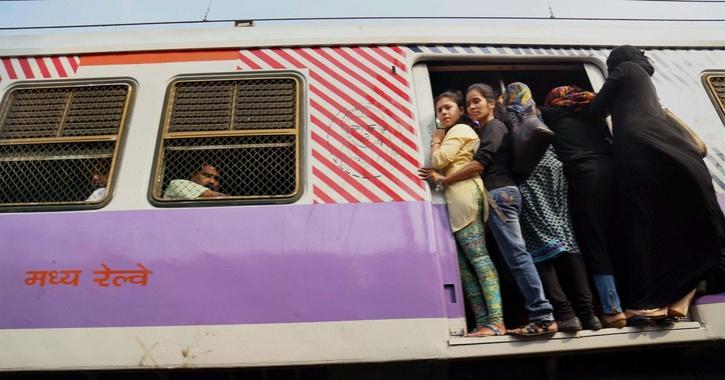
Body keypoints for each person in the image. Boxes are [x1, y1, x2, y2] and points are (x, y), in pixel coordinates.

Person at [589, 45, 725, 325]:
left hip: (642, 152)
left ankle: (651, 301)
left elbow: (595, 111)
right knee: (668, 227)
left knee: (644, 226)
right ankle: (681, 293)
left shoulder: (626, 69)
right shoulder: (643, 85)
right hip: (669, 153)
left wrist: (585, 102)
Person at [431, 83, 558, 336]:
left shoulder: (495, 126)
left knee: (517, 257)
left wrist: (443, 180)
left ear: (492, 103)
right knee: (512, 258)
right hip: (501, 195)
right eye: (469, 103)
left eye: (476, 101)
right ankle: (533, 315)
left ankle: (543, 316)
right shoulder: (486, 128)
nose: (472, 106)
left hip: (501, 195)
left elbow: (479, 164)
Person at [503, 82, 601, 332]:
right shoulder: (539, 112)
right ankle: (589, 315)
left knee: (540, 246)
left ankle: (567, 314)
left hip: (531, 176)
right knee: (568, 241)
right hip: (555, 172)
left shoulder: (510, 114)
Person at [419, 91, 505, 337]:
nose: (444, 113)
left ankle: (497, 322)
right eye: (439, 111)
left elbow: (439, 161)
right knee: (465, 268)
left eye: (448, 108)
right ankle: (482, 323)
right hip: (456, 199)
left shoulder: (461, 131)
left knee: (479, 259)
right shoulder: (454, 132)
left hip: (465, 196)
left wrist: (436, 140)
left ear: (460, 111)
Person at [540, 85, 627, 329]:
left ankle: (612, 309)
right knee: (617, 235)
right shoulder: (594, 113)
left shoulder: (552, 114)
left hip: (585, 177)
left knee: (593, 240)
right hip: (614, 172)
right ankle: (635, 301)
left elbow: (525, 112)